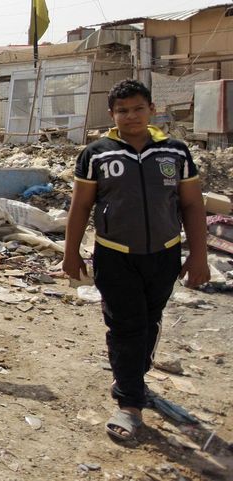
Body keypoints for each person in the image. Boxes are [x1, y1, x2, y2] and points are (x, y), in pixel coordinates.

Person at [62, 79, 209, 442]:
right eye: (122, 110)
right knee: (127, 326)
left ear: (151, 109)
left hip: (165, 253)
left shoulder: (175, 152)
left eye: (138, 108)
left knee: (150, 321)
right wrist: (70, 252)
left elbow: (191, 205)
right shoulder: (97, 153)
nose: (131, 116)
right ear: (112, 115)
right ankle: (128, 404)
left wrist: (199, 256)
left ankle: (131, 377)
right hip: (115, 256)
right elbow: (81, 206)